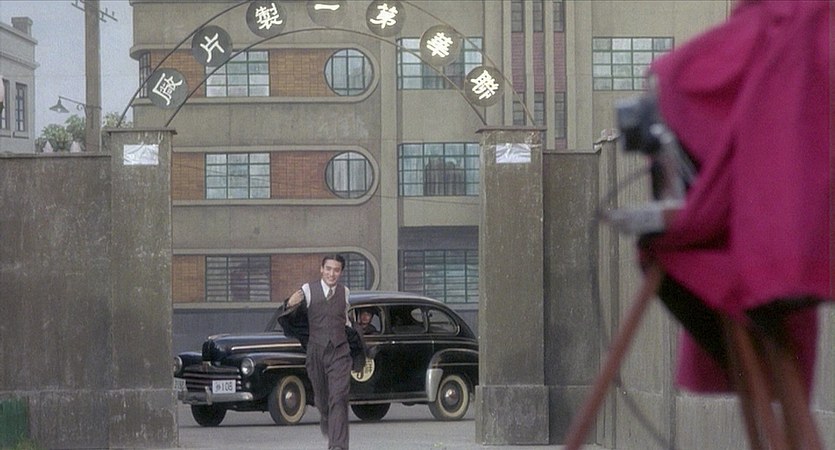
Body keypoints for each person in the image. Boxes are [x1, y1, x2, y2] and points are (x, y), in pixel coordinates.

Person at [286, 255, 352, 450]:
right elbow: (292, 318)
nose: (332, 273)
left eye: (336, 270)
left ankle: (338, 445)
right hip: (316, 352)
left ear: (341, 272)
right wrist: (289, 304)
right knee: (323, 401)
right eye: (328, 269)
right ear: (321, 269)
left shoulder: (345, 292)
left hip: (340, 352)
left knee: (339, 397)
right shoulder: (308, 290)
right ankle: (325, 416)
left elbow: (346, 320)